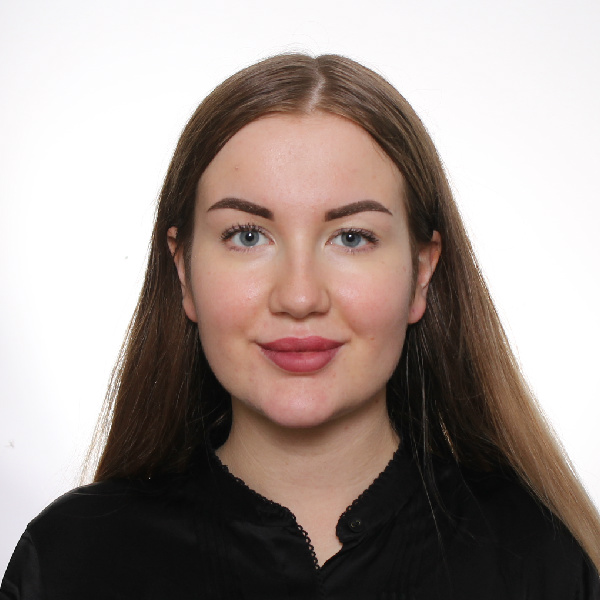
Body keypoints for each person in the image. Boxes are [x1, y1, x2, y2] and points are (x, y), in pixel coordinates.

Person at [2, 53, 599, 599]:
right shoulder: (67, 563)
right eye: (247, 236)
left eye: (352, 237)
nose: (299, 296)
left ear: (421, 273)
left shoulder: (547, 561)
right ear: (183, 271)